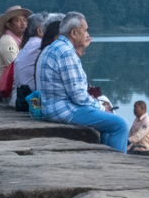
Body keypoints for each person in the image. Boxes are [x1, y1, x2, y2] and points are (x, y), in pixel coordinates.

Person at [35, 12, 129, 152]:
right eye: (85, 30)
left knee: (108, 125)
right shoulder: (66, 53)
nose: (87, 34)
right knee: (120, 125)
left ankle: (108, 160)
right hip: (63, 110)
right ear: (73, 32)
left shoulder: (50, 48)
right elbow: (78, 95)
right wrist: (101, 107)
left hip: (49, 107)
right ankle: (119, 168)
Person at [14, 12, 53, 107]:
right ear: (40, 31)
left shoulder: (27, 46)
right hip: (32, 99)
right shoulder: (40, 46)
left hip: (20, 96)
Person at [0, 5, 31, 86]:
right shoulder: (8, 42)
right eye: (18, 20)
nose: (23, 23)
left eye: (24, 20)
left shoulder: (16, 39)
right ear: (9, 25)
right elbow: (16, 69)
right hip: (6, 90)